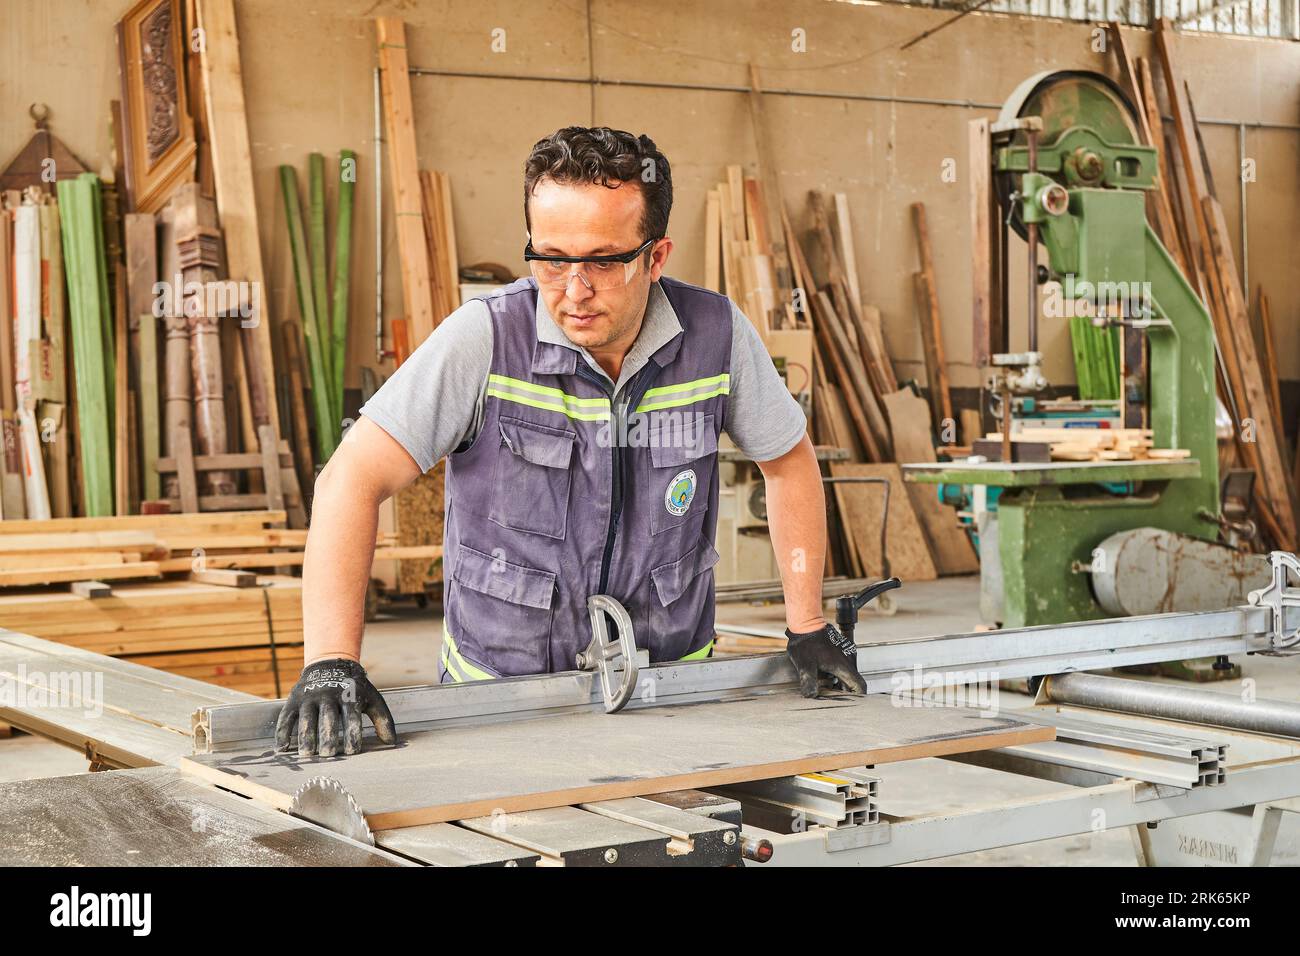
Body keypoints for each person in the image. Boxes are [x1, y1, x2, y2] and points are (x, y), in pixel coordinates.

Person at [276, 127, 866, 758]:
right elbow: (350, 480)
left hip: (675, 696)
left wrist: (806, 623)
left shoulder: (715, 337)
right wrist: (332, 660)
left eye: (604, 261)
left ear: (656, 256)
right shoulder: (485, 342)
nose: (574, 290)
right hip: (499, 708)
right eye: (551, 259)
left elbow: (788, 461)